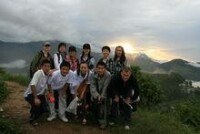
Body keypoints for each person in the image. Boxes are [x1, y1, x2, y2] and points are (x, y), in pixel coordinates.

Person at [24, 59, 51, 126]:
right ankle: (32, 119)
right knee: (37, 104)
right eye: (45, 66)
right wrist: (35, 98)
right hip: (30, 94)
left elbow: (47, 85)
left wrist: (49, 93)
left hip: (40, 95)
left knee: (44, 109)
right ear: (41, 66)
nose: (47, 68)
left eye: (48, 66)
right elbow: (33, 85)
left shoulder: (47, 75)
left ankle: (35, 112)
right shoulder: (38, 73)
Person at [90, 61, 111, 129]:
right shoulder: (93, 75)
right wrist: (97, 96)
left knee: (103, 104)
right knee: (94, 105)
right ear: (96, 68)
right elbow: (92, 87)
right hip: (96, 94)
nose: (100, 70)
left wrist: (101, 97)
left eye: (102, 68)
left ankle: (103, 123)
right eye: (99, 68)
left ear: (105, 69)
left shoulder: (108, 75)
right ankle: (96, 118)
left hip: (105, 94)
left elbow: (106, 87)